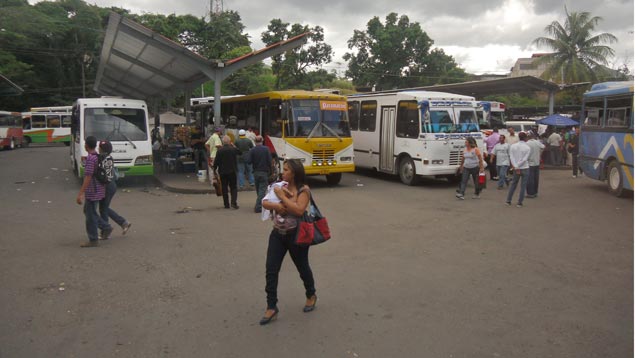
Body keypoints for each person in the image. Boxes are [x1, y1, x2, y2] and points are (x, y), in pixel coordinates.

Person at [260, 159, 317, 325]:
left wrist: (281, 197)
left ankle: (311, 294)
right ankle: (271, 306)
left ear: (294, 173)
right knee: (271, 269)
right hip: (278, 234)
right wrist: (276, 206)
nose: (282, 172)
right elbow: (264, 202)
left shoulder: (303, 190)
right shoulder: (280, 185)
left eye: (286, 170)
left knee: (302, 267)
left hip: (296, 235)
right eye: (283, 169)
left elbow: (299, 210)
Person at [76, 136, 111, 248]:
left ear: (86, 145)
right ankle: (105, 227)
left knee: (90, 216)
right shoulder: (97, 156)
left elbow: (88, 177)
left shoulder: (91, 159)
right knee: (88, 211)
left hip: (93, 191)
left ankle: (93, 239)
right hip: (99, 189)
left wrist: (80, 193)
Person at [97, 141, 132, 239]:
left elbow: (103, 175)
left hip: (107, 186)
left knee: (103, 209)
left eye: (99, 147)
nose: (98, 149)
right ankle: (122, 223)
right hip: (111, 185)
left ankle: (106, 231)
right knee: (104, 208)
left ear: (102, 149)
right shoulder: (108, 158)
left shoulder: (103, 158)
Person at [213, 135, 241, 209]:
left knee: (224, 188)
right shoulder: (233, 149)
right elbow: (240, 152)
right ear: (229, 142)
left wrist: (214, 170)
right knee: (233, 187)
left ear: (223, 142)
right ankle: (233, 202)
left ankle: (226, 204)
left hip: (222, 172)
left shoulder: (219, 151)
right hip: (232, 171)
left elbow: (216, 162)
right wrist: (234, 146)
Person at [247, 135, 273, 213]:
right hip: (264, 172)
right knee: (262, 190)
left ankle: (260, 204)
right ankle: (258, 207)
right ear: (262, 140)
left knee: (259, 190)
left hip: (255, 172)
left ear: (255, 141)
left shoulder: (252, 150)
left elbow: (248, 161)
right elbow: (270, 161)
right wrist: (271, 171)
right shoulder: (266, 149)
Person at [506, 132, 531, 207]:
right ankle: (519, 202)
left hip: (516, 167)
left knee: (513, 184)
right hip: (524, 167)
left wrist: (516, 166)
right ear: (525, 138)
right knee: (523, 186)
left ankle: (508, 200)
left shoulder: (513, 146)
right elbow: (524, 159)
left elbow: (511, 157)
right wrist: (518, 166)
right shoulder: (527, 147)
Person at [525, 133, 545, 198]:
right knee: (536, 178)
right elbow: (543, 147)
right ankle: (535, 192)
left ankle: (530, 193)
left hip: (530, 163)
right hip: (537, 162)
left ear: (528, 137)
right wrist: (540, 154)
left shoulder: (527, 143)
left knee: (530, 179)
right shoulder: (537, 142)